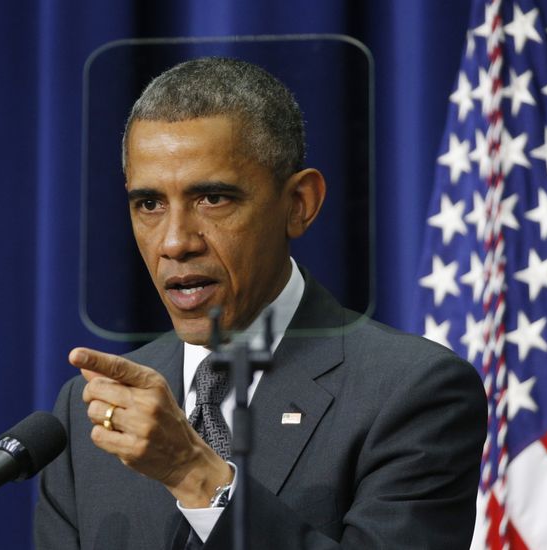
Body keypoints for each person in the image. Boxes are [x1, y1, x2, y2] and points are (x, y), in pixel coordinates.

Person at [34, 57, 487, 549]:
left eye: (212, 199)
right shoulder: (90, 416)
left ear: (299, 204)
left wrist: (194, 473)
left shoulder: (412, 392)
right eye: (149, 204)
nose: (174, 242)